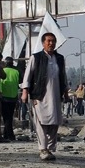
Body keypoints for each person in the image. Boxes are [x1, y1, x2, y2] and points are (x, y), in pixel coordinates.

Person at [21, 32, 68, 161]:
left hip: (55, 96)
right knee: (41, 122)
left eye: (53, 41)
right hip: (40, 96)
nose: (51, 43)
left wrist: (65, 92)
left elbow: (63, 76)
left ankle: (50, 148)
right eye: (49, 41)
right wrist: (25, 92)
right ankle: (43, 149)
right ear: (43, 43)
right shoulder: (36, 58)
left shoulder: (59, 58)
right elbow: (27, 76)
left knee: (55, 122)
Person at [0, 56, 20, 141]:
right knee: (10, 116)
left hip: (4, 96)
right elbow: (18, 82)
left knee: (6, 117)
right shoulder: (16, 72)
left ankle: (9, 135)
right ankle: (6, 134)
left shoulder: (2, 71)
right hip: (13, 96)